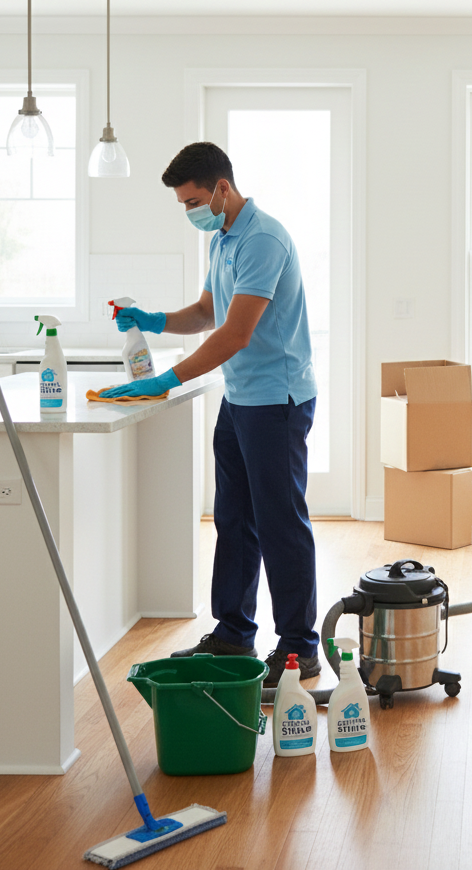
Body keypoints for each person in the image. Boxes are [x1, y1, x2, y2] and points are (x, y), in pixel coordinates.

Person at [102, 142, 320, 686]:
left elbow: (236, 332)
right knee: (234, 521)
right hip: (242, 399)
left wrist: (167, 379)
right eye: (182, 204)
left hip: (278, 400)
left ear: (222, 188)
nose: (189, 211)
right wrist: (151, 319)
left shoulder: (264, 239)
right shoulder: (223, 239)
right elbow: (206, 313)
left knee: (280, 525)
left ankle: (299, 648)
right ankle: (233, 635)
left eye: (193, 200)